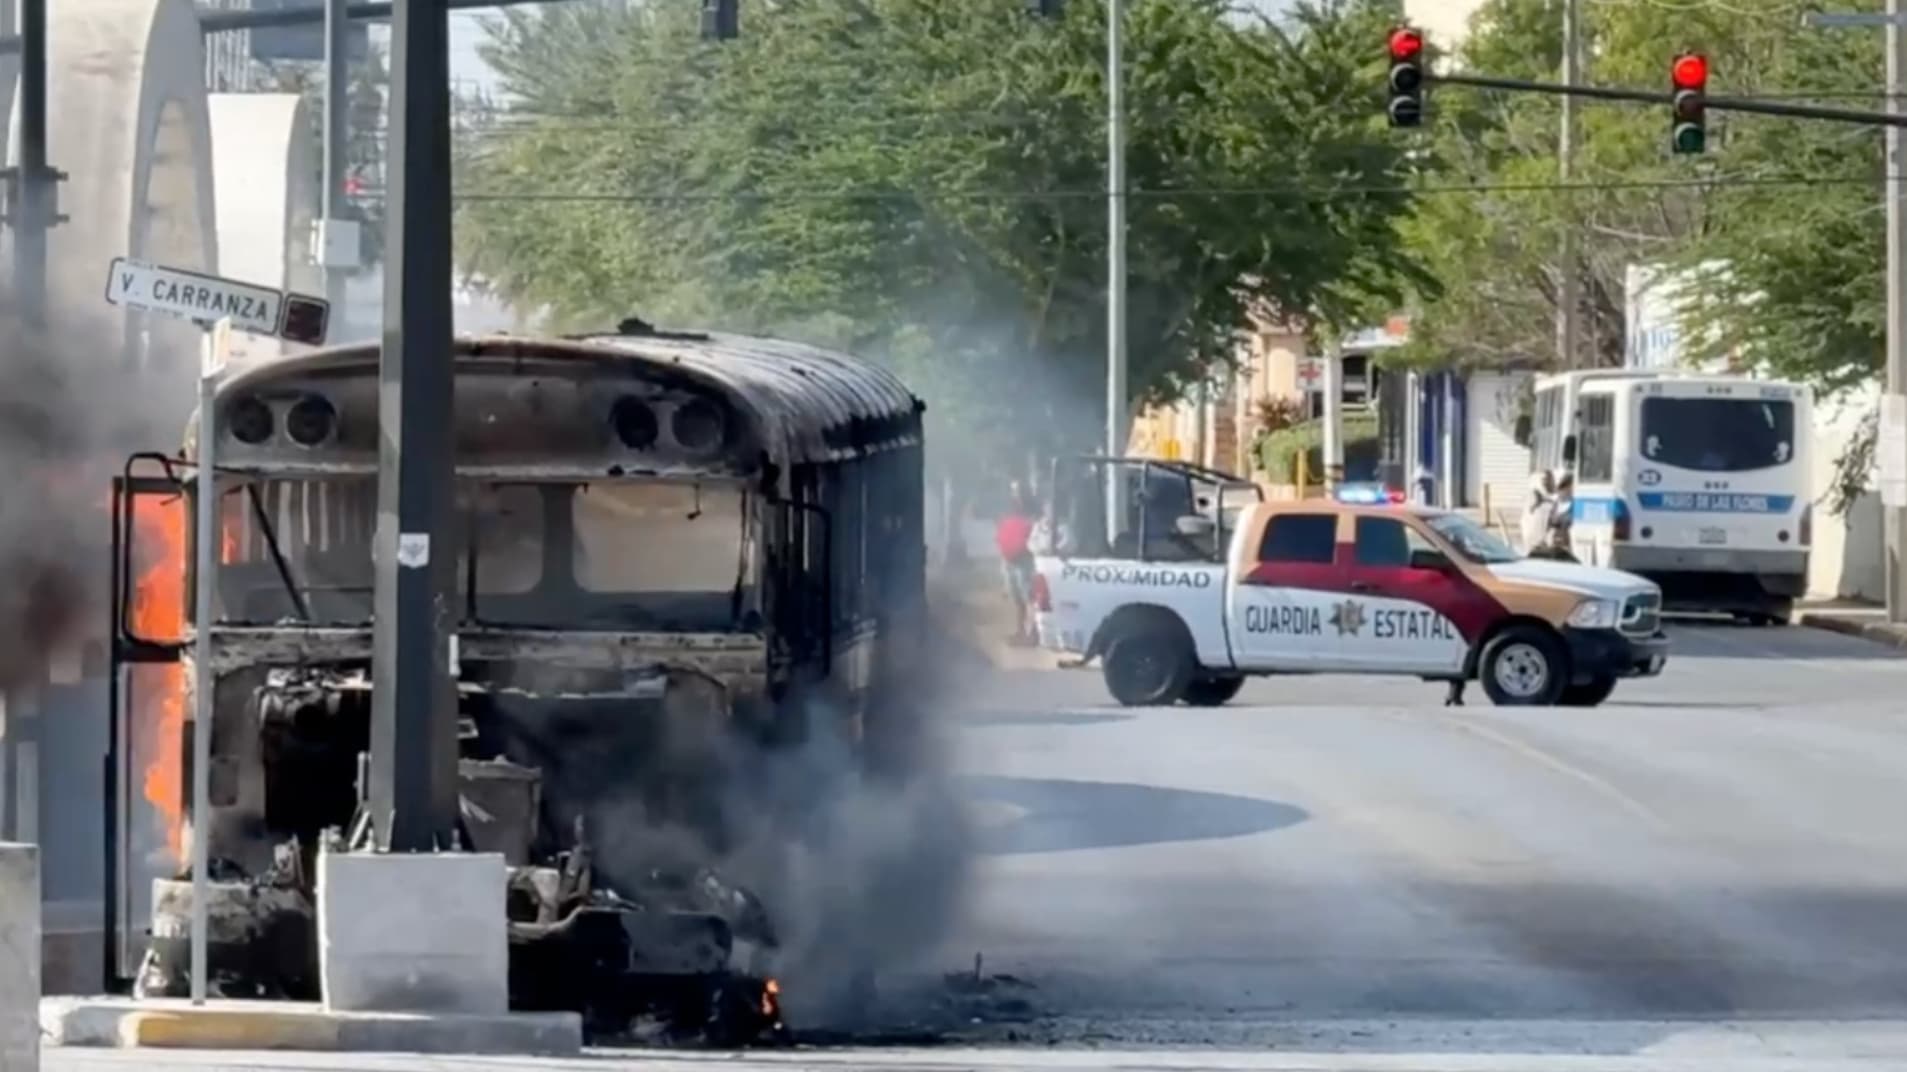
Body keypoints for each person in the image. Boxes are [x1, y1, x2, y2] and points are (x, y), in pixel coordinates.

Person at [995, 482, 1037, 644]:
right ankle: (1020, 631)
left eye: (1017, 489)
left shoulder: (1031, 507)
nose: (1015, 493)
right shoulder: (1008, 506)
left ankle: (1031, 633)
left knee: (1028, 598)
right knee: (1017, 598)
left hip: (1024, 559)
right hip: (1009, 559)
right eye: (1013, 490)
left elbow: (1033, 529)